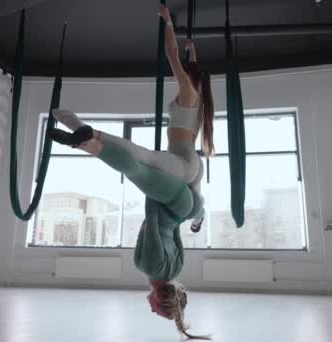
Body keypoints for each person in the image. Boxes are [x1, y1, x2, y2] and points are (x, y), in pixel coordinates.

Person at [45, 4, 213, 340]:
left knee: (150, 169)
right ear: (160, 299)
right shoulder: (150, 267)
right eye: (155, 308)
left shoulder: (176, 269)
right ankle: (87, 137)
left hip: (189, 186)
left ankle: (200, 213)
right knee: (137, 163)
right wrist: (167, 24)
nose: (148, 307)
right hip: (179, 170)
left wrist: (193, 50)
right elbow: (172, 58)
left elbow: (174, 234)